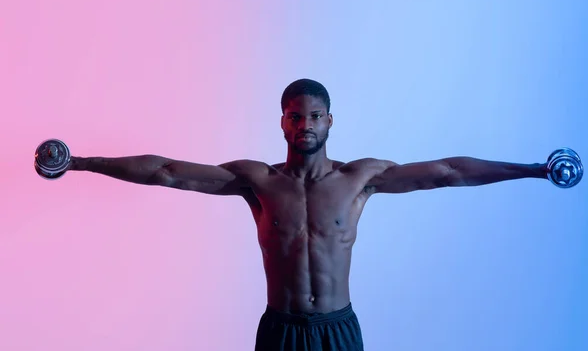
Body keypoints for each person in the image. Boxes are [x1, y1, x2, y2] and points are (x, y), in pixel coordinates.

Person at [67, 79, 549, 350]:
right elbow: (168, 172)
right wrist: (80, 163)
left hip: (338, 329)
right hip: (280, 330)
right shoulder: (257, 182)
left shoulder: (360, 179)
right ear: (282, 121)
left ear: (330, 121)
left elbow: (450, 172)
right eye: (295, 115)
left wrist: (536, 170)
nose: (305, 124)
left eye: (315, 115)